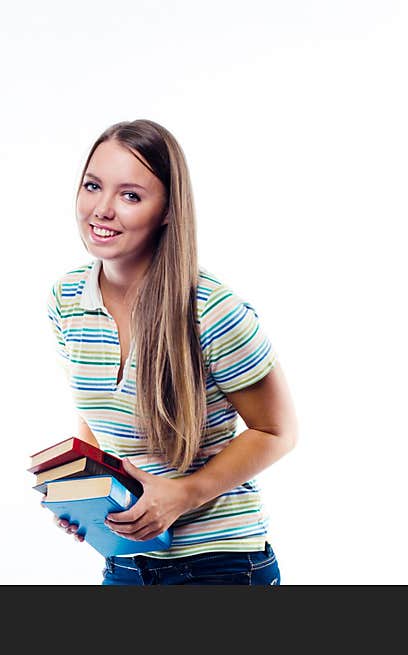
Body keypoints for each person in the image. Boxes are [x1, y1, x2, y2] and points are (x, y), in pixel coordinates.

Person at [46, 119, 298, 585]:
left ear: (166, 210)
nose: (102, 209)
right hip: (126, 563)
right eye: (92, 186)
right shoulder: (66, 300)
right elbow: (96, 416)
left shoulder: (211, 309)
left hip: (221, 564)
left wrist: (183, 496)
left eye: (130, 195)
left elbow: (277, 430)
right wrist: (88, 498)